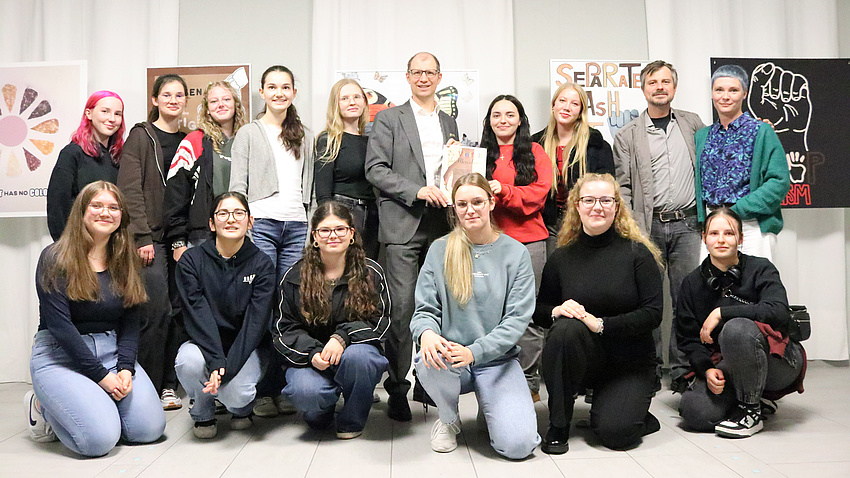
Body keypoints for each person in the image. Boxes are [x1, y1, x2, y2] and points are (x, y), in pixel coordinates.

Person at [26, 181, 165, 457]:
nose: (106, 213)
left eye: (113, 207)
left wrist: (125, 369)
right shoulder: (54, 258)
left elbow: (130, 321)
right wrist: (101, 378)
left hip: (111, 351)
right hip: (61, 354)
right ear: (81, 211)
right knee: (99, 441)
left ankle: (92, 403)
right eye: (97, 205)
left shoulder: (125, 259)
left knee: (148, 430)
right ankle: (41, 404)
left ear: (122, 216)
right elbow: (60, 328)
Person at [411, 173, 540, 459]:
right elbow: (424, 309)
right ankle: (447, 418)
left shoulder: (515, 254)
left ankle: (491, 404)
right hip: (450, 358)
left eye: (478, 202)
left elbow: (517, 321)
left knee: (518, 446)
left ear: (492, 203)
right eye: (462, 204)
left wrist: (474, 351)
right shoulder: (440, 250)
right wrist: (428, 333)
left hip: (496, 360)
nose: (470, 210)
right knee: (427, 357)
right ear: (454, 209)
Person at [534, 173, 664, 454]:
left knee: (615, 435)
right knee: (564, 329)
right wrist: (557, 310)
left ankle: (633, 412)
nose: (597, 207)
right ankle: (558, 426)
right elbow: (540, 312)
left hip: (629, 363)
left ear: (616, 207)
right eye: (589, 200)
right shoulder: (561, 257)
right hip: (585, 360)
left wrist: (602, 325)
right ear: (577, 206)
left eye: (606, 200)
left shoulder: (637, 254)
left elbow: (653, 314)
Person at [364, 52, 459, 421]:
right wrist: (417, 190)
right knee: (402, 309)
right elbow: (375, 169)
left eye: (429, 72)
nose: (423, 78)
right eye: (416, 72)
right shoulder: (388, 118)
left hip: (443, 227)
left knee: (438, 308)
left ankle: (428, 382)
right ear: (407, 77)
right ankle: (398, 389)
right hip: (402, 224)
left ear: (439, 76)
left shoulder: (449, 120)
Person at [613, 60, 707, 392]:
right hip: (648, 227)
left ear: (674, 87)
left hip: (687, 225)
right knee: (649, 302)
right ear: (643, 88)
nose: (660, 87)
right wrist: (633, 226)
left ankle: (682, 368)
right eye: (653, 82)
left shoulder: (693, 123)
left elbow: (712, 162)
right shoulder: (627, 135)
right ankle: (648, 368)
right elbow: (622, 187)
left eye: (666, 81)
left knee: (685, 298)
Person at [229, 65, 314, 418]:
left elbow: (310, 188)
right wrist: (241, 226)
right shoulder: (249, 132)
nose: (279, 93)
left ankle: (281, 387)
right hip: (261, 224)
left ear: (294, 92)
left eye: (286, 87)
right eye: (272, 87)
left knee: (289, 307)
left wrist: (311, 228)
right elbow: (237, 185)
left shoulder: (305, 134)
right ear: (262, 93)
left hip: (297, 225)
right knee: (261, 305)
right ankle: (262, 391)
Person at [676, 207, 805, 438]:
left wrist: (722, 313)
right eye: (714, 233)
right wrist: (706, 370)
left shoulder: (761, 268)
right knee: (694, 411)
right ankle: (752, 398)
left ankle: (750, 411)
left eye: (729, 233)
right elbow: (687, 338)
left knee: (736, 328)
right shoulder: (692, 283)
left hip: (778, 361)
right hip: (730, 364)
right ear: (703, 238)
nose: (721, 240)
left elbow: (779, 312)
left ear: (741, 239)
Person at [272, 201, 390, 439]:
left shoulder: (371, 272)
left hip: (354, 353)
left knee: (361, 359)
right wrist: (312, 352)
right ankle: (321, 411)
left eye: (340, 229)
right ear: (314, 236)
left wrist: (342, 338)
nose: (332, 235)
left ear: (351, 234)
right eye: (324, 230)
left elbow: (381, 321)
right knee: (306, 394)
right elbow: (283, 329)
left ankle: (352, 420)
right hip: (311, 360)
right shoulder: (294, 276)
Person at [174, 192, 275, 439]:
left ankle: (241, 409)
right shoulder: (191, 260)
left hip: (247, 346)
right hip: (204, 341)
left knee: (235, 395)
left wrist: (226, 370)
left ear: (250, 222)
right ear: (211, 223)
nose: (231, 219)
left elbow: (255, 323)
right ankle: (203, 411)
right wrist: (216, 359)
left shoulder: (262, 264)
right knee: (189, 363)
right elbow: (197, 314)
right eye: (223, 213)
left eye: (238, 213)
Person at [117, 74, 188, 411]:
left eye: (180, 95)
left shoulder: (191, 140)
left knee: (179, 311)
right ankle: (146, 386)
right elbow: (129, 189)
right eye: (167, 94)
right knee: (155, 311)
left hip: (182, 239)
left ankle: (169, 386)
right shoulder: (141, 137)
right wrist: (142, 236)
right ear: (156, 100)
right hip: (151, 240)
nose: (174, 100)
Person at [479, 94, 553, 401]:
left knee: (529, 314)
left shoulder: (535, 151)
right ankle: (494, 378)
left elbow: (539, 194)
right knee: (490, 312)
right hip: (488, 243)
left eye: (510, 115)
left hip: (529, 242)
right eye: (497, 115)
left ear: (520, 119)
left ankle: (528, 382)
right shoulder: (478, 155)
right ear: (489, 121)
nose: (503, 120)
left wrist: (504, 190)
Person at [696, 64, 790, 261]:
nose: (725, 96)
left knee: (755, 286)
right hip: (713, 226)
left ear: (745, 93)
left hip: (753, 227)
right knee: (713, 289)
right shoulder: (703, 135)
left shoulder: (762, 132)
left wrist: (736, 211)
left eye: (733, 90)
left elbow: (778, 182)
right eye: (719, 90)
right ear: (712, 93)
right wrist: (708, 221)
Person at [164, 81, 248, 262]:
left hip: (242, 233)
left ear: (236, 104)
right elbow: (176, 193)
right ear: (207, 109)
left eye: (226, 99)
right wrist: (178, 241)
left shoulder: (247, 140)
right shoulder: (194, 141)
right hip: (203, 235)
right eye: (214, 101)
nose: (221, 105)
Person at [533, 82, 615, 256]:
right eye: (562, 101)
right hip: (547, 226)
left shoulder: (597, 145)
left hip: (583, 224)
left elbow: (608, 189)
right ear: (553, 105)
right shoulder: (535, 144)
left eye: (574, 104)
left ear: (581, 111)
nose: (567, 107)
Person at [47, 91, 125, 241]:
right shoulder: (72, 153)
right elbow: (57, 205)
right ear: (89, 113)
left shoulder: (120, 156)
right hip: (78, 242)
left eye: (117, 114)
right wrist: (64, 244)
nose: (112, 119)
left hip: (111, 243)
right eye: (105, 111)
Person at [314, 78, 379, 259]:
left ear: (364, 102)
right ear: (336, 104)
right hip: (343, 213)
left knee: (367, 273)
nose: (352, 102)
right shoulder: (328, 140)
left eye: (357, 97)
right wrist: (331, 225)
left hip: (373, 215)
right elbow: (323, 193)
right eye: (345, 98)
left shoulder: (374, 141)